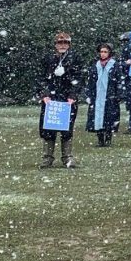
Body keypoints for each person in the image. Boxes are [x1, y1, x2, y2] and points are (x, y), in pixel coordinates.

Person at [39, 32, 82, 169]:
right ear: (55, 44)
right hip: (50, 99)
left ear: (69, 44)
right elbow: (40, 77)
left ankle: (67, 157)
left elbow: (80, 78)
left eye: (65, 43)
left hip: (67, 98)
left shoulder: (75, 58)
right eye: (59, 42)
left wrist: (73, 95)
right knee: (48, 128)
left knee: (67, 128)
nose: (62, 45)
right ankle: (47, 158)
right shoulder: (47, 58)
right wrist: (44, 93)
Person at [85, 42, 124, 147]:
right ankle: (100, 139)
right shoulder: (95, 65)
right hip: (97, 95)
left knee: (109, 117)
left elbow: (119, 81)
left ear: (109, 53)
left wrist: (119, 94)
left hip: (110, 95)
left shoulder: (114, 65)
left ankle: (108, 139)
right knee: (97, 117)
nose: (103, 54)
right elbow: (90, 81)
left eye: (105, 52)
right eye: (101, 52)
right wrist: (88, 93)